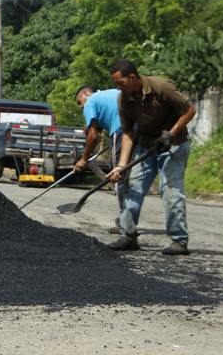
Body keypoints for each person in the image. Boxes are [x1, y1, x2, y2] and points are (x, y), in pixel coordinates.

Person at [106, 59, 196, 255]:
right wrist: (122, 166)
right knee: (133, 188)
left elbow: (190, 110)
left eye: (119, 82)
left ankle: (179, 241)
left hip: (174, 144)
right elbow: (128, 132)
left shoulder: (161, 87)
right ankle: (128, 235)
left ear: (132, 77)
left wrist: (170, 134)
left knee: (170, 191)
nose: (117, 87)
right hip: (146, 145)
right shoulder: (124, 99)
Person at [74, 86, 125, 231]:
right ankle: (128, 219)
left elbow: (93, 135)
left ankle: (125, 223)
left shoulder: (90, 102)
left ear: (86, 94)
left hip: (120, 128)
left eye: (79, 102)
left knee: (118, 174)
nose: (81, 106)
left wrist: (84, 159)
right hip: (136, 127)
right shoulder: (108, 94)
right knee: (128, 175)